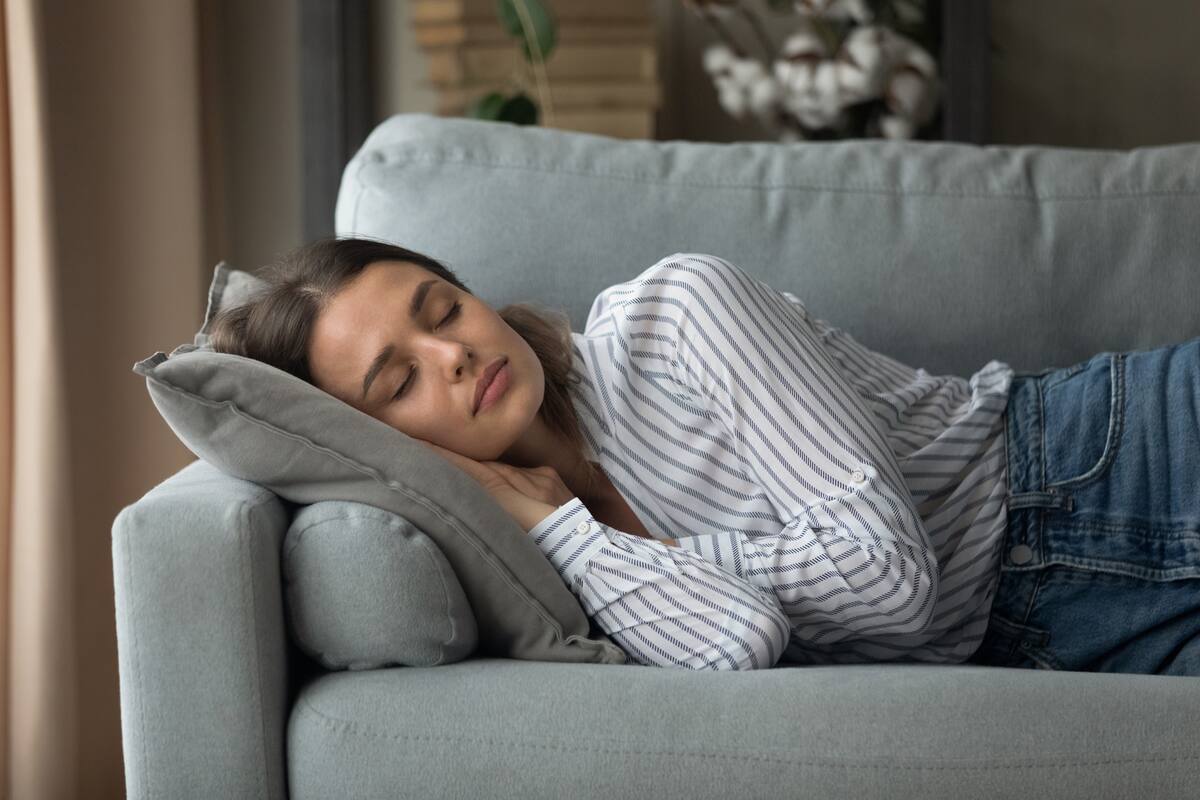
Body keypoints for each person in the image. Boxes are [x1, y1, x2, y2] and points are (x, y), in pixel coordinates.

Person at [208, 236, 1200, 676]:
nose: (454, 354)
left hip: (1109, 460)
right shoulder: (528, 551)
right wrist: (557, 527)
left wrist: (656, 555)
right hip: (1046, 642)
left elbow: (891, 579)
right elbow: (741, 640)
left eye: (443, 309)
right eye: (399, 382)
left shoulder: (677, 312)